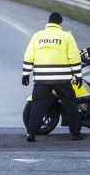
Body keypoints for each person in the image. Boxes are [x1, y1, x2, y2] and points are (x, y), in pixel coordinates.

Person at [22, 12, 84, 142]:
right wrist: (78, 76)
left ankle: (31, 133)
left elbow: (29, 55)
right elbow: (74, 57)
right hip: (62, 79)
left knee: (37, 106)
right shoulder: (67, 36)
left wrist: (26, 74)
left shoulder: (37, 36)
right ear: (60, 23)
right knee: (71, 105)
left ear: (48, 23)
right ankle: (75, 134)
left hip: (41, 79)